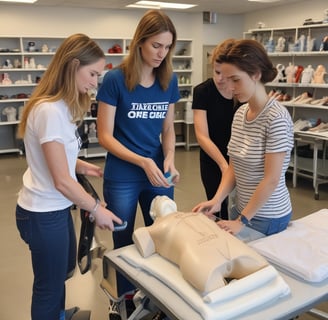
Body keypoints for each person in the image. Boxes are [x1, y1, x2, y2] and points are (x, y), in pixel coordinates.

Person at [15, 33, 123, 320]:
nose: (95, 82)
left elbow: (54, 157)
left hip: (56, 207)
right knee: (48, 286)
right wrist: (96, 208)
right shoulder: (50, 110)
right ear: (72, 65)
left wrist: (80, 165)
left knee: (61, 270)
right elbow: (61, 181)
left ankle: (58, 315)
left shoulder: (60, 106)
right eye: (92, 74)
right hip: (42, 212)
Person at [96, 9, 180, 315]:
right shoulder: (115, 80)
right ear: (141, 41)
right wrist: (142, 161)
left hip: (157, 170)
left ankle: (157, 298)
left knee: (164, 235)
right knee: (124, 239)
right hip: (123, 174)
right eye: (157, 45)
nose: (162, 53)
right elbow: (104, 135)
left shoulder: (168, 80)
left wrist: (169, 157)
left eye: (168, 46)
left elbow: (168, 128)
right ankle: (124, 300)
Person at [193, 39, 294, 243]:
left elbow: (271, 179)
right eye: (226, 79)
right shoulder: (241, 113)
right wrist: (217, 200)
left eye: (236, 80)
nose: (229, 87)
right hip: (241, 210)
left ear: (256, 74)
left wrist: (242, 220)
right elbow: (233, 166)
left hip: (268, 216)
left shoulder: (277, 118)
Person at [192, 39, 239, 219]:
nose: (220, 78)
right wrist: (223, 164)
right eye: (216, 72)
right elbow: (202, 135)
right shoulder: (203, 92)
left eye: (225, 74)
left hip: (239, 160)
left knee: (240, 210)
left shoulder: (241, 93)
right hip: (212, 160)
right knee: (217, 210)